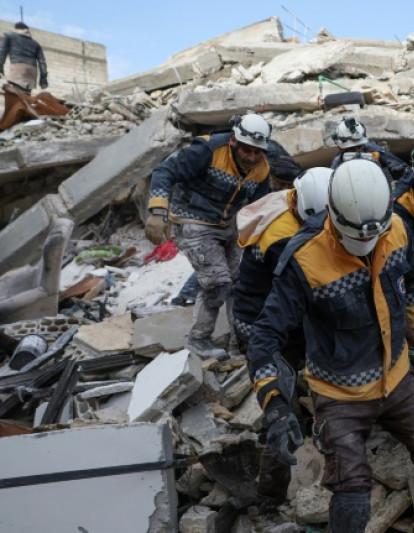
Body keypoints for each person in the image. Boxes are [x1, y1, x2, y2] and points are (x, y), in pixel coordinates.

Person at [246, 158, 414, 532]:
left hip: (397, 379)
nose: (363, 247)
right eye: (354, 240)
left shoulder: (396, 228)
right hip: (339, 394)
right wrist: (275, 405)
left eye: (370, 239)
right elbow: (264, 336)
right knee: (353, 493)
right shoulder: (304, 259)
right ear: (332, 213)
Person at [229, 167, 331, 508]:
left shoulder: (293, 199)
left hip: (281, 317)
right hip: (263, 327)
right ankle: (268, 500)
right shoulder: (282, 239)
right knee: (280, 409)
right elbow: (315, 288)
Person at [145, 112, 271, 359]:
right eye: (247, 150)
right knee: (217, 284)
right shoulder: (208, 151)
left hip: (228, 223)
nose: (252, 157)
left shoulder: (261, 168)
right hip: (191, 219)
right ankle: (199, 339)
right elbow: (164, 171)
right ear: (234, 141)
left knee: (242, 282)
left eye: (257, 152)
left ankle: (241, 341)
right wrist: (158, 210)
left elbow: (261, 207)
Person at [171, 136, 302, 308]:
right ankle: (187, 294)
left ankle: (189, 294)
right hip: (228, 216)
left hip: (239, 214)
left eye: (289, 186)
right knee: (221, 260)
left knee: (223, 261)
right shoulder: (258, 169)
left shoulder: (276, 161)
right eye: (282, 184)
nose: (285, 189)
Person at [329, 116, 412, 183]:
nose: (357, 151)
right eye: (351, 148)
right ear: (341, 148)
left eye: (359, 146)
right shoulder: (337, 164)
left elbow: (408, 171)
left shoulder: (374, 151)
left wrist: (398, 175)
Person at [0, 22, 47, 91]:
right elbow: (42, 62)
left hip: (18, 67)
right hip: (32, 70)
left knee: (15, 92)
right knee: (26, 95)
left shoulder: (9, 36)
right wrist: (43, 79)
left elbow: (2, 51)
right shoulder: (35, 43)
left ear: (16, 29)